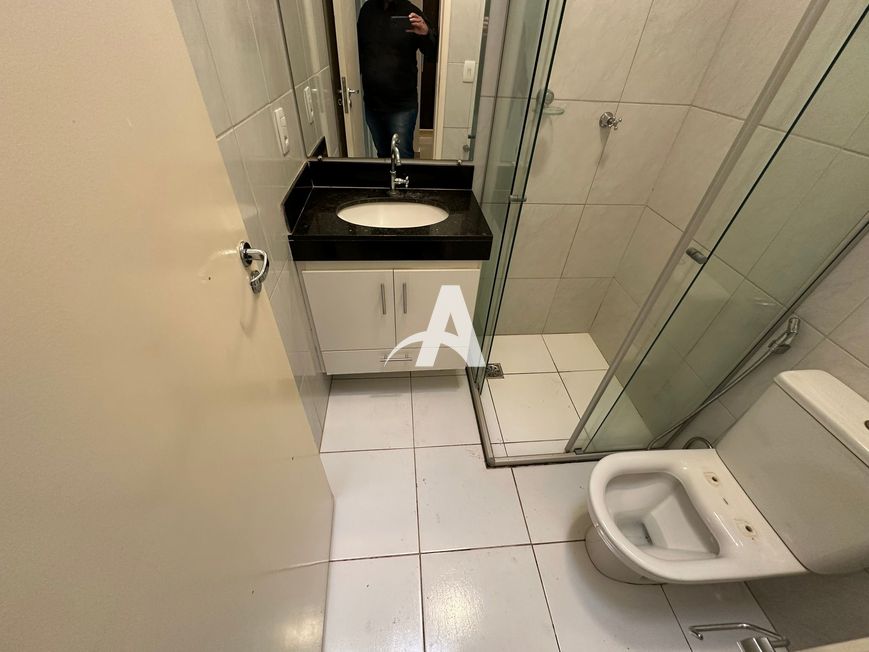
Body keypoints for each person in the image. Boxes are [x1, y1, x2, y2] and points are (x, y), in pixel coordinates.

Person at [357, 0, 437, 158]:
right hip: (372, 104)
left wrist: (426, 33)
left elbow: (432, 53)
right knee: (383, 155)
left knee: (402, 157)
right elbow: (360, 49)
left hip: (402, 107)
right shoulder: (367, 10)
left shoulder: (412, 13)